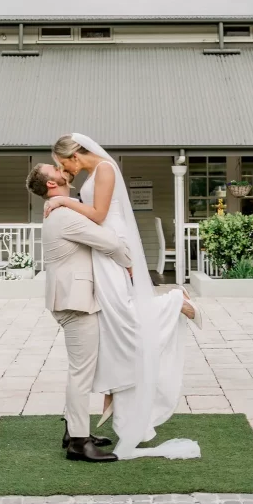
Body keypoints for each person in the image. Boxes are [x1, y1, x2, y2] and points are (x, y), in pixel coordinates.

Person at [47, 133, 201, 461]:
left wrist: (64, 201)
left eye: (64, 164)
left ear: (75, 155)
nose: (64, 171)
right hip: (99, 250)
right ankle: (111, 398)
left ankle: (174, 302)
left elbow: (100, 214)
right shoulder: (90, 174)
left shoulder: (104, 169)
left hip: (108, 244)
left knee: (123, 314)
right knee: (113, 323)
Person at [26, 161, 131, 463]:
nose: (62, 167)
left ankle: (73, 430)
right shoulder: (64, 216)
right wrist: (129, 260)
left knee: (80, 371)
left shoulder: (63, 210)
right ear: (50, 183)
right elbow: (110, 242)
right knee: (81, 373)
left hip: (72, 299)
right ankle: (79, 444)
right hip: (76, 302)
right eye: (55, 168)